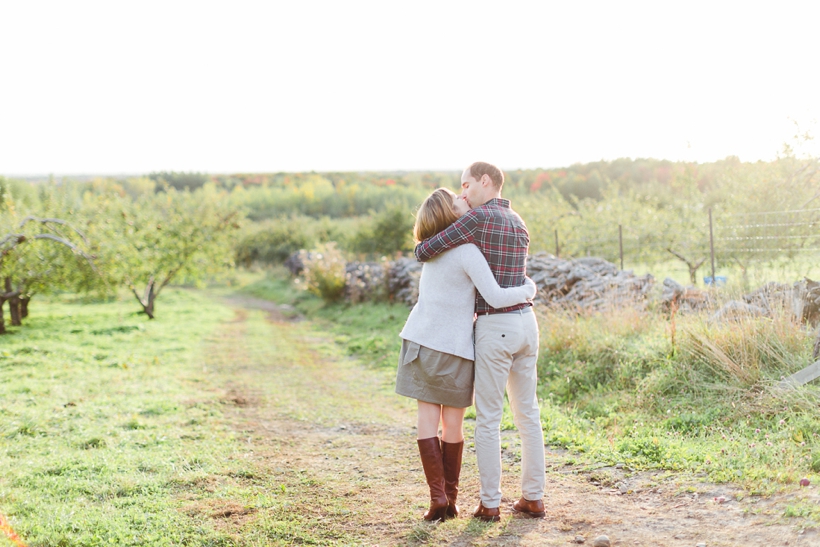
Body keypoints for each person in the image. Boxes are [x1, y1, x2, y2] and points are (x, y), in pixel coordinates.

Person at [415, 162, 546, 522]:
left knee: (488, 418)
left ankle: (490, 504)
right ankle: (533, 497)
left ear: (484, 181)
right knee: (528, 414)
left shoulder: (476, 219)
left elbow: (427, 248)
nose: (463, 194)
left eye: (466, 185)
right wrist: (529, 291)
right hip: (527, 323)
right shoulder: (519, 221)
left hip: (495, 324)